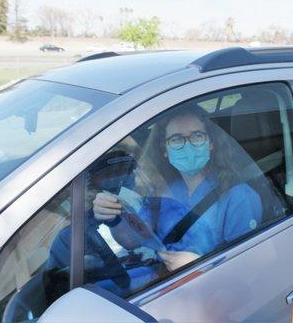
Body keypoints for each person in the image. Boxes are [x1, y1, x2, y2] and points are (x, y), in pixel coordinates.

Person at [85, 104, 263, 292]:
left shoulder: (239, 196)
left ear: (211, 143)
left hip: (208, 290)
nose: (188, 145)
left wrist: (202, 267)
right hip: (163, 277)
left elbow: (250, 270)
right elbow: (132, 240)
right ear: (165, 149)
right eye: (177, 139)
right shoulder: (164, 189)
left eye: (197, 135)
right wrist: (112, 218)